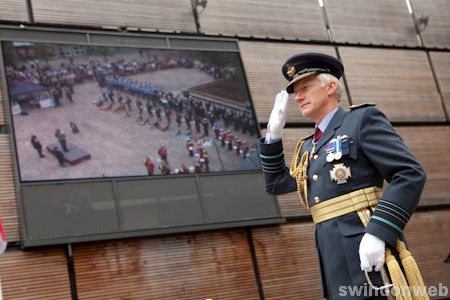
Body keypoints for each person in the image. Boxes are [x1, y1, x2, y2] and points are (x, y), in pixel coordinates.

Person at [258, 53, 426, 299]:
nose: (298, 97)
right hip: (331, 253)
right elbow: (276, 184)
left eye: (305, 87)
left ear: (331, 86)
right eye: (295, 92)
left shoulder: (360, 120)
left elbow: (409, 173)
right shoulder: (308, 147)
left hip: (366, 243)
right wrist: (272, 136)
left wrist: (380, 232)